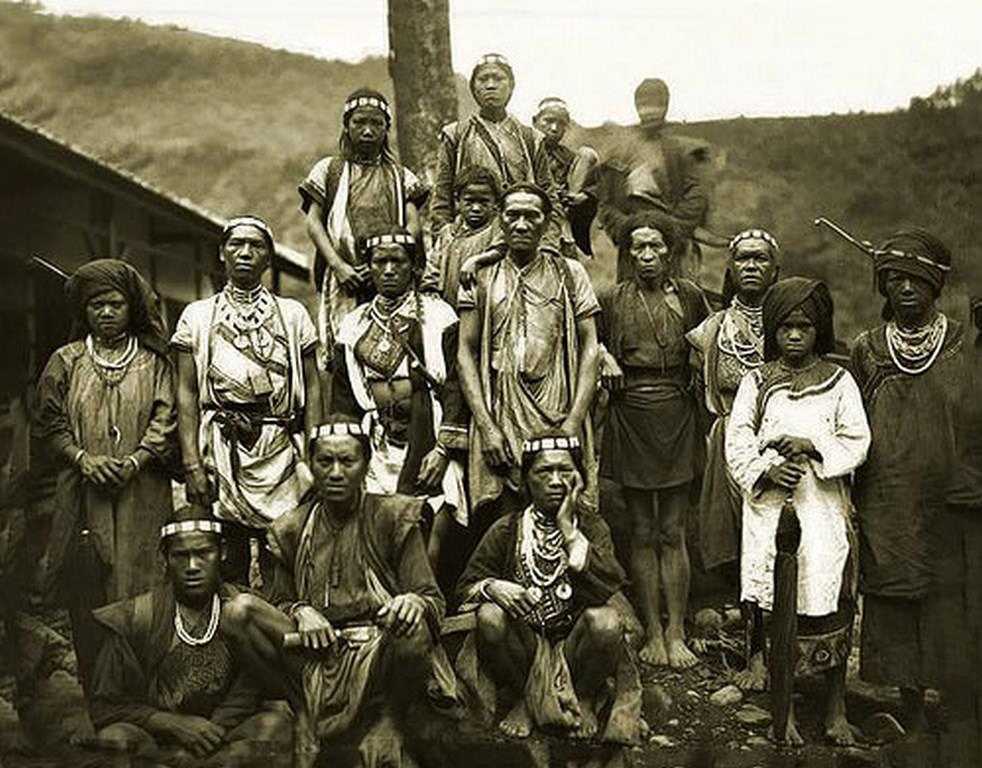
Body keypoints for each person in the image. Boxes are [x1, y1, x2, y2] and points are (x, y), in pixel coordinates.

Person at [220, 416, 445, 768]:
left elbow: (432, 600)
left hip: (376, 655)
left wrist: (411, 601)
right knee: (238, 612)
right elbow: (278, 600)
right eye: (325, 462)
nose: (336, 472)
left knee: (413, 628)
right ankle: (304, 715)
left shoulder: (393, 515)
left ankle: (389, 723)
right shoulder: (291, 528)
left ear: (365, 464)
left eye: (348, 461)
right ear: (310, 466)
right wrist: (299, 611)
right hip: (315, 654)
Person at [726, 277, 870, 745]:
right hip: (771, 512)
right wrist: (768, 469)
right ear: (773, 330)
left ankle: (835, 707)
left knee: (830, 597)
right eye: (785, 327)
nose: (794, 336)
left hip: (823, 509)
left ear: (819, 329)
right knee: (776, 600)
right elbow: (738, 442)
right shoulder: (756, 381)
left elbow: (858, 441)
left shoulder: (839, 380)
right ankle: (782, 709)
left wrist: (813, 446)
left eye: (804, 327)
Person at [35, 259, 176, 689]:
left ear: (131, 307)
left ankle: (145, 683)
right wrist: (83, 459)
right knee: (90, 579)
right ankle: (100, 689)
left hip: (144, 489)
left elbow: (165, 416)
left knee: (144, 578)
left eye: (115, 303)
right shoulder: (66, 360)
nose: (107, 312)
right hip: (83, 493)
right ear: (84, 311)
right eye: (97, 305)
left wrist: (136, 460)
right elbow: (49, 423)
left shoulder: (154, 362)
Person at [850, 228, 966, 733]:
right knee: (893, 588)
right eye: (894, 279)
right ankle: (907, 702)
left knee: (950, 591)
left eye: (916, 279)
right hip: (887, 494)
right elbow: (850, 422)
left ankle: (954, 702)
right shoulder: (868, 348)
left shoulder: (963, 344)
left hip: (950, 494)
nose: (905, 289)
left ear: (934, 286)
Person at [455, 433, 643, 744]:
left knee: (607, 622)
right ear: (526, 481)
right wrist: (493, 587)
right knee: (489, 616)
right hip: (524, 645)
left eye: (566, 471)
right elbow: (464, 589)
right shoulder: (507, 529)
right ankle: (525, 696)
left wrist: (569, 530)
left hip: (574, 643)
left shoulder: (592, 527)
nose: (556, 481)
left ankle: (582, 696)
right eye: (544, 472)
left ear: (580, 478)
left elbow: (608, 585)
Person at [172, 216, 322, 590]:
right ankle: (232, 638)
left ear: (268, 258)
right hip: (220, 449)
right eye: (236, 244)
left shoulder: (292, 314)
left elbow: (315, 388)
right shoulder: (197, 315)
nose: (245, 252)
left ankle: (282, 633)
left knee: (284, 551)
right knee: (227, 557)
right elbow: (186, 392)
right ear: (221, 253)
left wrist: (314, 453)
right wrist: (191, 461)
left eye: (256, 245)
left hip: (280, 445)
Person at [88, 506, 290, 766]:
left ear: (222, 553)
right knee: (114, 738)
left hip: (223, 741)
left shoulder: (244, 612)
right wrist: (170, 723)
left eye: (203, 553)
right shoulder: (136, 617)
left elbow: (254, 687)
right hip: (157, 745)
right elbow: (104, 707)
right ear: (165, 558)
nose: (192, 566)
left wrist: (208, 732)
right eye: (180, 556)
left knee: (276, 728)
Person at [597, 212, 709, 669]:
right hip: (630, 413)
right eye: (637, 248)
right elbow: (591, 342)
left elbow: (711, 346)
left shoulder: (690, 296)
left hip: (677, 413)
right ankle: (653, 632)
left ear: (671, 252)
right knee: (642, 529)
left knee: (673, 529)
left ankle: (678, 630)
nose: (646, 256)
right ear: (628, 254)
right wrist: (603, 355)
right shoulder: (612, 299)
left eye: (655, 247)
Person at [457, 183, 600, 518]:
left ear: (547, 221)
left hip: (558, 409)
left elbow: (590, 346)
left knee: (564, 509)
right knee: (506, 518)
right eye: (513, 215)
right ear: (500, 220)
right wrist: (487, 426)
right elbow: (465, 352)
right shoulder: (481, 275)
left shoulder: (570, 272)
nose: (521, 224)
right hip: (501, 412)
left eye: (531, 216)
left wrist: (573, 423)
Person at [332, 229, 468, 567]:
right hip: (376, 439)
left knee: (431, 522)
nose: (389, 269)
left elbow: (455, 385)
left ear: (414, 267)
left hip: (428, 432)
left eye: (398, 261)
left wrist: (443, 450)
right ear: (369, 267)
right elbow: (344, 398)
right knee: (375, 525)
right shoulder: (353, 324)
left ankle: (426, 601)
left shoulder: (439, 316)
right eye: (380, 261)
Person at [299, 88, 429, 365]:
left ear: (386, 129)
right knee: (344, 350)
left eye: (376, 123)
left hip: (391, 274)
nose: (368, 130)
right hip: (344, 276)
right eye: (360, 122)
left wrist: (384, 262)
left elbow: (413, 226)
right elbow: (313, 222)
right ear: (346, 125)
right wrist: (338, 266)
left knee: (396, 354)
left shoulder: (401, 176)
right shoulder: (328, 170)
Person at [687, 229, 779, 573]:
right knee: (738, 534)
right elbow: (696, 394)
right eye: (743, 258)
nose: (752, 266)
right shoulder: (711, 330)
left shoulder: (792, 328)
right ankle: (742, 611)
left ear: (775, 270)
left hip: (779, 443)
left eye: (761, 258)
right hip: (726, 442)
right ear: (730, 269)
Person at [596, 78, 721, 281]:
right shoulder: (618, 153)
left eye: (657, 105)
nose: (650, 112)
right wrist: (627, 231)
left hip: (674, 246)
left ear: (666, 106)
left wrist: (668, 232)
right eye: (644, 105)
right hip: (633, 245)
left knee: (681, 302)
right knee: (629, 303)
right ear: (636, 107)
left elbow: (697, 199)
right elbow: (606, 204)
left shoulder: (686, 151)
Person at [430, 54, 561, 243]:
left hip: (521, 234)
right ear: (473, 87)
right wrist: (444, 237)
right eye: (483, 79)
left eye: (498, 78)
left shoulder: (530, 138)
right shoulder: (456, 134)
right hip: (469, 235)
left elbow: (548, 195)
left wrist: (550, 241)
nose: (490, 85)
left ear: (511, 86)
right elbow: (441, 196)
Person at [421, 166, 502, 310]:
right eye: (469, 201)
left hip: (485, 306)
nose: (476, 208)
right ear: (457, 199)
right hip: (449, 306)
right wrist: (430, 290)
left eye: (484, 202)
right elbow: (433, 266)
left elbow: (500, 249)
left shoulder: (497, 229)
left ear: (495, 202)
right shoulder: (447, 234)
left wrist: (477, 260)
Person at [532, 96, 600, 258]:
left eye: (561, 123)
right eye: (548, 121)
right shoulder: (525, 150)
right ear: (535, 121)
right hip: (534, 210)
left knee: (587, 154)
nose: (554, 128)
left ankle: (565, 234)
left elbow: (598, 184)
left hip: (565, 211)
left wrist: (585, 196)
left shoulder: (569, 157)